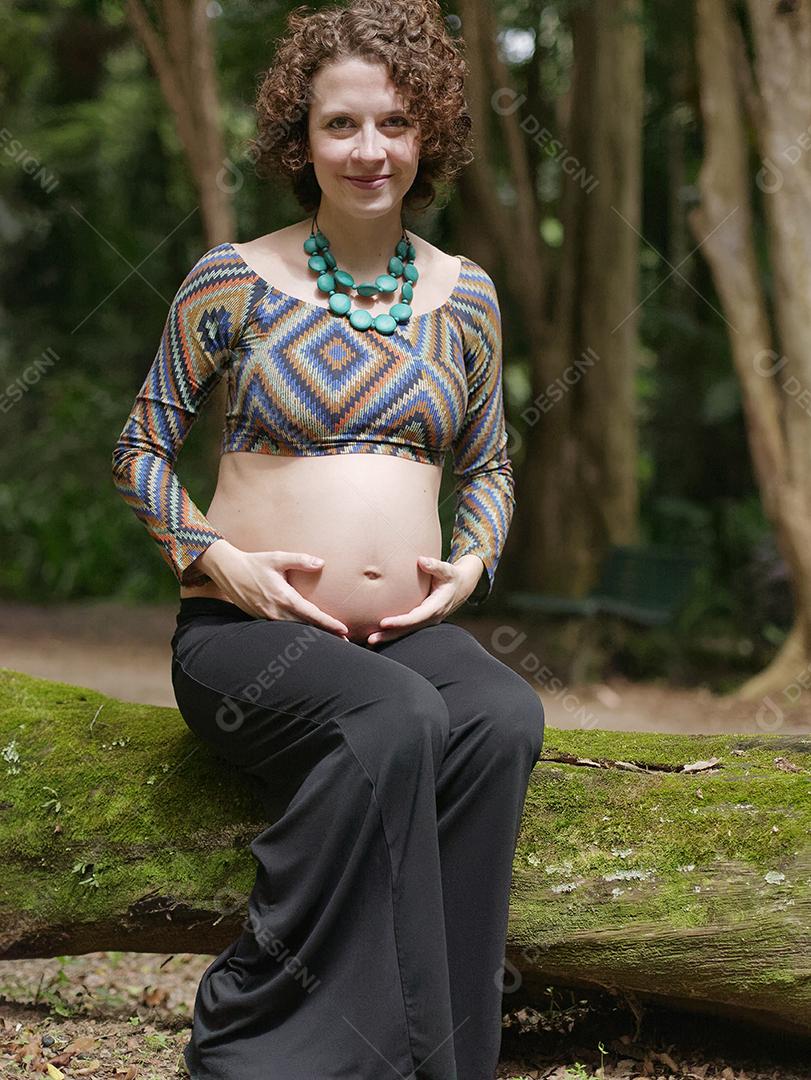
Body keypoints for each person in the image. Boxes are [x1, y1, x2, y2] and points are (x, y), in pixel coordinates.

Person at [111, 0, 545, 1076]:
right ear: (299, 142)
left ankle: (447, 1055)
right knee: (394, 716)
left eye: (393, 124)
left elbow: (488, 464)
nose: (368, 150)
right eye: (340, 125)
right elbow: (138, 449)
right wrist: (219, 561)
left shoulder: (467, 298)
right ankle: (263, 1024)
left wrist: (471, 565)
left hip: (399, 631)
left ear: (426, 133)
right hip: (242, 635)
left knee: (498, 714)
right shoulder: (234, 280)